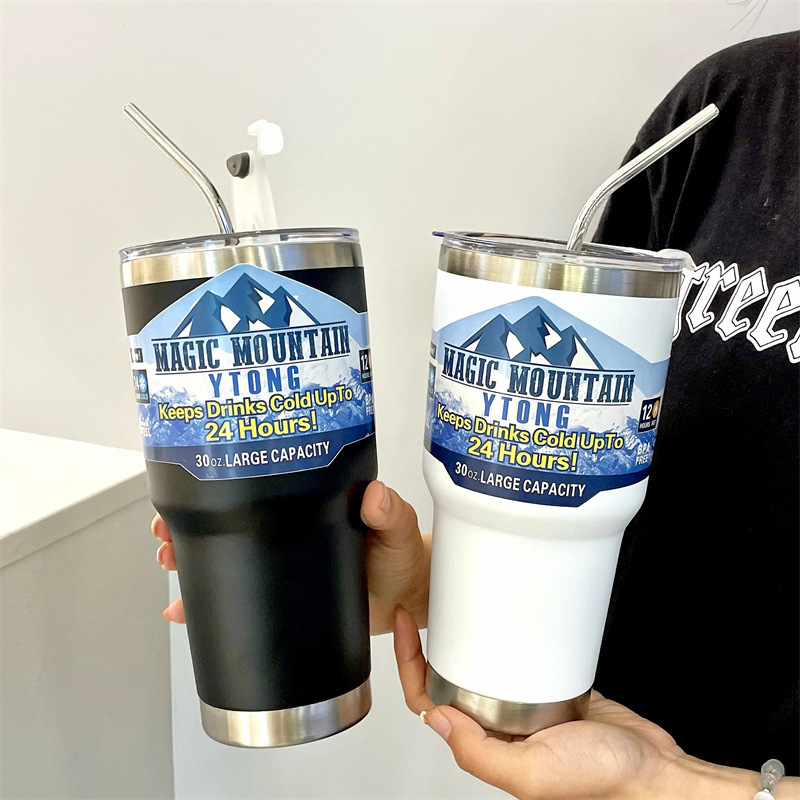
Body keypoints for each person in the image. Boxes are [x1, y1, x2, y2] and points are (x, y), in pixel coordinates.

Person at [152, 31, 798, 800]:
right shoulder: (734, 102)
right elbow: (579, 458)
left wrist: (672, 785)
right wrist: (434, 582)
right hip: (596, 737)